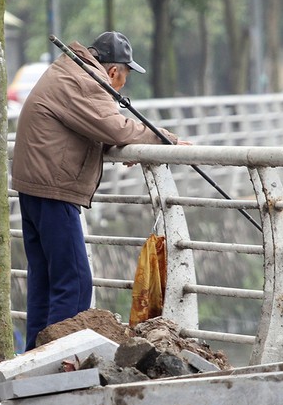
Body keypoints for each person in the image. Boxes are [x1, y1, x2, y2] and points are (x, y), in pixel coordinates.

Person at [11, 31, 188, 350]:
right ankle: (62, 359)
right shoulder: (87, 80)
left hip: (34, 184)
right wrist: (163, 137)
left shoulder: (70, 70)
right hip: (54, 187)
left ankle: (34, 356)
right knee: (74, 281)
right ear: (114, 71)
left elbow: (85, 123)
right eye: (126, 76)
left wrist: (119, 142)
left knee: (44, 279)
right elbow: (114, 126)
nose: (122, 85)